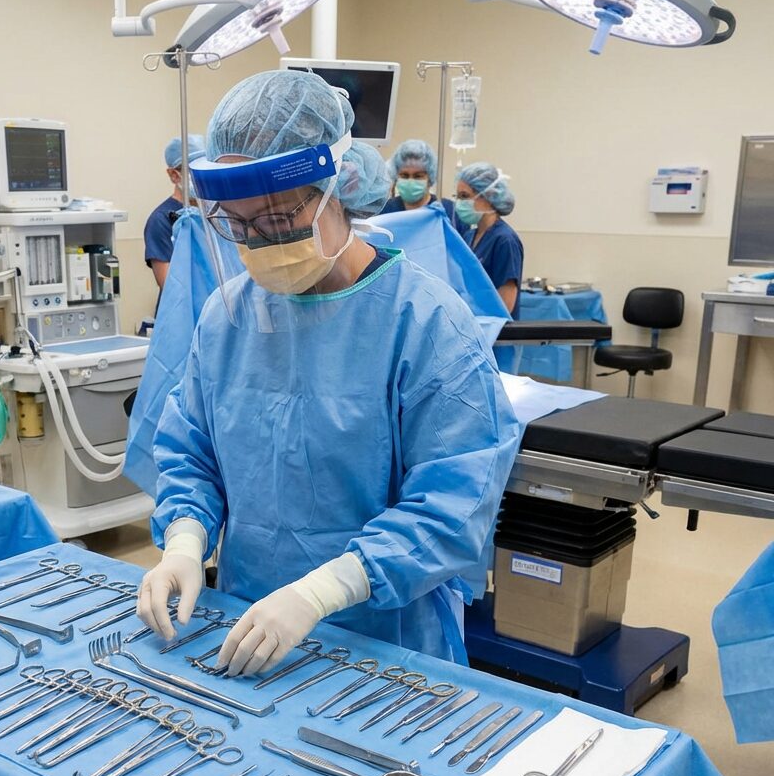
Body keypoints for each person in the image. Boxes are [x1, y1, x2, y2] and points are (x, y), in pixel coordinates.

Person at [136, 70, 520, 676]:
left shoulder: (425, 322)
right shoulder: (228, 315)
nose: (260, 241)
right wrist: (185, 542)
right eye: (239, 226)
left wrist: (321, 592)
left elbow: (453, 501)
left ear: (337, 188)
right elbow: (192, 451)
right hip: (250, 623)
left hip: (388, 639)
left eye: (280, 217)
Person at [455, 162, 524, 318]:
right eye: (457, 197)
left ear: (489, 196)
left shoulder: (505, 240)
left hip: (495, 335)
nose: (459, 203)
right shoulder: (469, 236)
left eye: (464, 196)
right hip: (473, 328)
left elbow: (506, 304)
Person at [144, 134, 206, 292]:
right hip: (183, 312)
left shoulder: (214, 211)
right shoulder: (161, 219)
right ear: (173, 175)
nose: (202, 177)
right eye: (194, 171)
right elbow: (169, 286)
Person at [381, 139, 453, 219]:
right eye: (405, 175)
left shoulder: (448, 210)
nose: (410, 181)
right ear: (396, 176)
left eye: (418, 176)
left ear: (430, 178)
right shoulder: (385, 210)